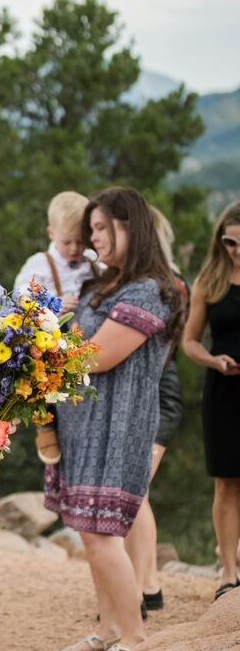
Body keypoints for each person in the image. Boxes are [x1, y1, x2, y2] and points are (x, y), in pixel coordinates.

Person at [47, 188, 184, 651]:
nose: (93, 239)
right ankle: (107, 628)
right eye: (92, 230)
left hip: (118, 428)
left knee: (105, 535)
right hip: (85, 428)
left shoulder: (149, 290)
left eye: (103, 228)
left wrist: (41, 351)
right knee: (89, 533)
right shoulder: (107, 286)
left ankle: (134, 636)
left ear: (132, 228)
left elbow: (99, 355)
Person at [123, 205, 188, 614]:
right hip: (139, 397)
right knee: (134, 492)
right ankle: (146, 585)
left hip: (159, 397)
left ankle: (143, 586)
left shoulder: (171, 286)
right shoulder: (133, 284)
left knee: (134, 491)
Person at [14, 191, 100, 464]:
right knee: (41, 377)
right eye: (67, 242)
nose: (74, 249)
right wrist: (53, 305)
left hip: (86, 336)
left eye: (80, 241)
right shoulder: (39, 264)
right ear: (51, 232)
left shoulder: (93, 262)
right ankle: (45, 425)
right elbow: (21, 299)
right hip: (51, 333)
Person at [181, 200, 240, 602]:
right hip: (224, 391)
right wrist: (213, 361)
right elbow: (189, 341)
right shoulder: (210, 280)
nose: (236, 250)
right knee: (226, 484)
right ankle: (228, 571)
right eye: (230, 242)